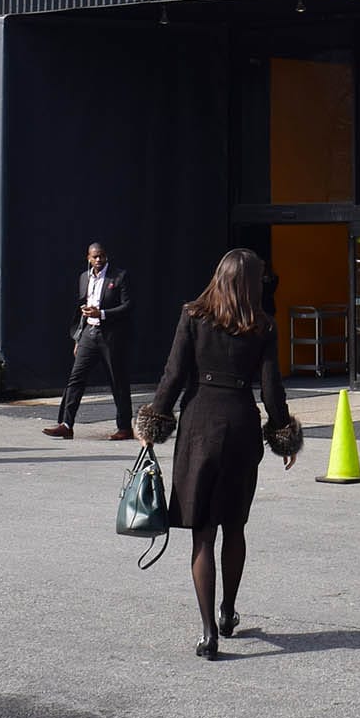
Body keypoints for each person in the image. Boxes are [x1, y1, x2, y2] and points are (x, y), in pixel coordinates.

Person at [136, 248, 302, 660]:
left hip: (199, 426)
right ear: (251, 283)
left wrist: (154, 423)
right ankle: (229, 611)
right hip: (241, 425)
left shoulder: (193, 316)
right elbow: (270, 391)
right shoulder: (262, 325)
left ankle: (208, 631)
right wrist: (282, 434)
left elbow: (173, 375)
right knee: (235, 526)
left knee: (203, 533)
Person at [43, 242, 135, 441]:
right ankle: (66, 424)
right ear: (88, 258)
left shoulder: (119, 277)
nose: (99, 260)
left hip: (110, 336)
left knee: (117, 381)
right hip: (88, 334)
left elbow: (128, 307)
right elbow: (81, 308)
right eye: (95, 257)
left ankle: (124, 427)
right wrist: (79, 337)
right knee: (75, 378)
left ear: (106, 256)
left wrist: (101, 313)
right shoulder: (84, 278)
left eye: (101, 256)